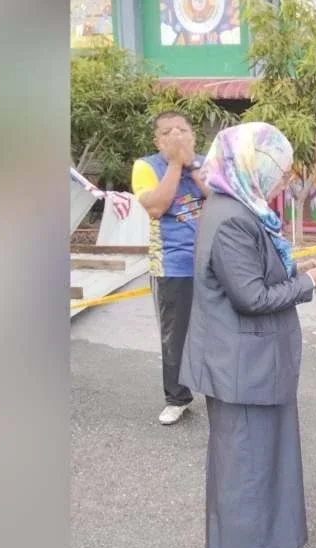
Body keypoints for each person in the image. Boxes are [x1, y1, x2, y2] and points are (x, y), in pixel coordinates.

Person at [179, 123, 316, 548]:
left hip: (247, 361)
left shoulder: (237, 205)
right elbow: (250, 297)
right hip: (241, 364)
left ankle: (252, 543)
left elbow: (255, 273)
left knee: (254, 455)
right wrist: (308, 283)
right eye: (281, 171)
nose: (285, 180)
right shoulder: (233, 217)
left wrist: (300, 267)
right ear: (253, 166)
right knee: (246, 461)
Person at [132, 111, 211, 426]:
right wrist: (176, 165)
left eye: (183, 130)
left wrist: (192, 166)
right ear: (158, 141)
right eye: (168, 132)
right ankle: (177, 397)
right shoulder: (146, 166)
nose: (177, 136)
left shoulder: (208, 163)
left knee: (218, 329)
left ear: (193, 136)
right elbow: (156, 207)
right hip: (172, 263)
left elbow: (221, 198)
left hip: (214, 261)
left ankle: (219, 390)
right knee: (175, 336)